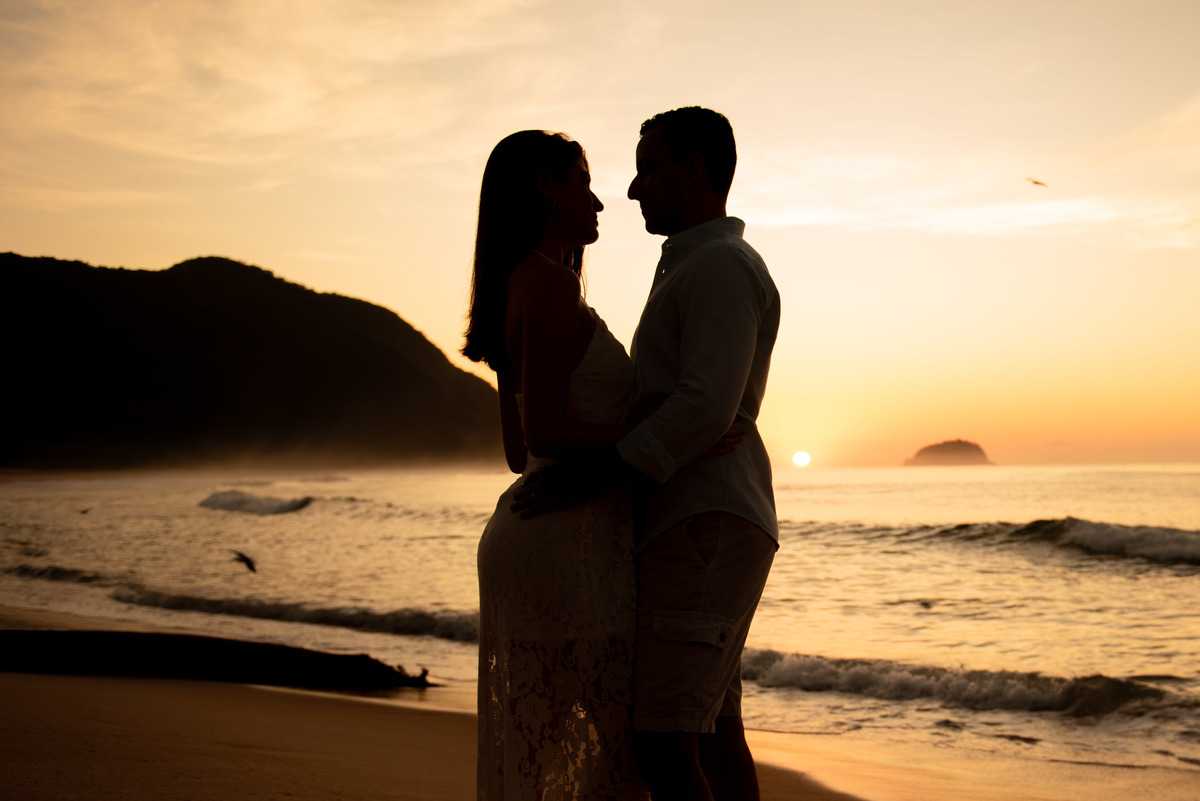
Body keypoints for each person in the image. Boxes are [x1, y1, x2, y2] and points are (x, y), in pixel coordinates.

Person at [516, 107, 780, 801]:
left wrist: (594, 471)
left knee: (663, 743)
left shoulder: (720, 265)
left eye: (647, 168)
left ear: (693, 168)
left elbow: (704, 405)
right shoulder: (697, 264)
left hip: (703, 520)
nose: (632, 190)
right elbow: (688, 406)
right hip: (699, 516)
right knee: (712, 731)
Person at [463, 130, 648, 800]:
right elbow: (545, 431)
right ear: (546, 185)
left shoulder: (514, 285)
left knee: (542, 757)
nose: (598, 201)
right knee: (619, 753)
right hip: (564, 548)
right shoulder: (551, 284)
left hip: (531, 536)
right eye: (582, 180)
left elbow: (520, 451)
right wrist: (650, 436)